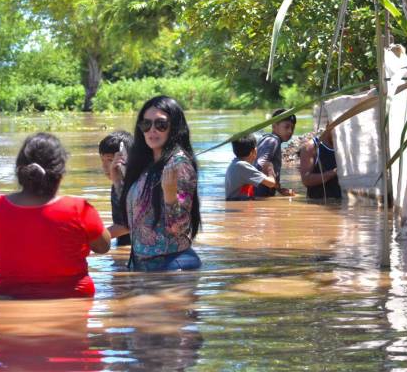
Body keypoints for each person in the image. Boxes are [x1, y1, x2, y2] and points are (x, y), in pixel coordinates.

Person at [0, 132, 112, 299]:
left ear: (19, 170)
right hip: (73, 301)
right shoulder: (79, 209)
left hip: (9, 297)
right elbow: (104, 247)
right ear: (61, 172)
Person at [109, 95, 202, 272]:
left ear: (173, 127)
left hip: (172, 266)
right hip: (145, 265)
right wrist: (118, 182)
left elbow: (178, 228)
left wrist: (169, 195)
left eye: (160, 125)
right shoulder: (146, 164)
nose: (152, 130)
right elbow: (133, 220)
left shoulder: (179, 165)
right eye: (146, 124)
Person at [99, 130, 134, 247]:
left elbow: (126, 225)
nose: (104, 166)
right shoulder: (117, 183)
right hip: (126, 246)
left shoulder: (134, 185)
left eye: (110, 160)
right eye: (102, 160)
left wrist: (92, 239)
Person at [254, 108, 296, 197]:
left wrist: (279, 189)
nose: (290, 131)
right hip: (261, 194)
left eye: (292, 128)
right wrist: (275, 184)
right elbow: (260, 164)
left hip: (260, 193)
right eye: (286, 127)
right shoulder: (273, 140)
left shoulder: (268, 139)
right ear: (274, 126)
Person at [224, 134, 277, 200]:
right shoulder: (243, 166)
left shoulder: (235, 164)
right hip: (240, 205)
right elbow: (271, 183)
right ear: (254, 151)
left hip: (235, 203)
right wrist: (270, 168)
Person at [299, 128, 342, 199]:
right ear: (329, 125)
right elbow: (306, 180)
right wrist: (334, 172)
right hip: (318, 202)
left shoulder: (348, 146)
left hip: (341, 203)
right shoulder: (311, 147)